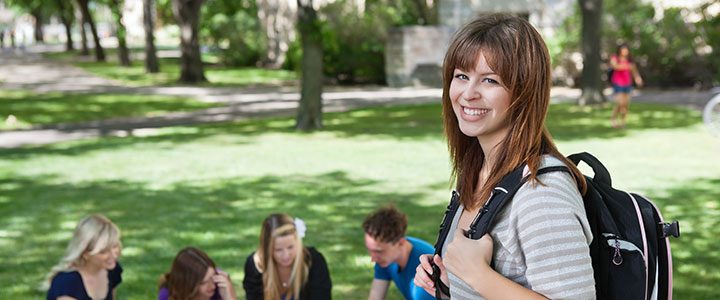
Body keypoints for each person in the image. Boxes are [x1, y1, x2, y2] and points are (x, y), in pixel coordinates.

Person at [413, 14, 596, 299]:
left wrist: (476, 274)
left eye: (490, 80)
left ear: (525, 91)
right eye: (461, 76)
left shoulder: (542, 194)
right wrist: (451, 282)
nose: (468, 93)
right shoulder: (480, 172)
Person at [243, 214, 332, 300]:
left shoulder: (313, 261)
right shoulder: (256, 266)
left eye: (290, 247)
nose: (286, 255)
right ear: (267, 250)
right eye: (278, 250)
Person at [363, 205, 435, 300]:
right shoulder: (385, 260)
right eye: (370, 250)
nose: (373, 259)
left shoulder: (425, 270)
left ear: (400, 242)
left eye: (378, 251)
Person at [44, 214, 123, 300]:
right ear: (85, 253)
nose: (113, 255)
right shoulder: (67, 283)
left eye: (115, 246)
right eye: (104, 251)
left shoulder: (111, 270)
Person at [158, 247, 237, 300]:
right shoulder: (168, 294)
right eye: (204, 282)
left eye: (213, 277)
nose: (212, 285)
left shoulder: (221, 285)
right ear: (189, 283)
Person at [610, 43, 644, 129]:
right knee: (620, 103)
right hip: (618, 83)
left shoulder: (629, 59)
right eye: (623, 49)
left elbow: (634, 70)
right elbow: (615, 66)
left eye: (626, 49)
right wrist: (627, 66)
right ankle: (613, 118)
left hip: (627, 83)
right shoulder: (615, 57)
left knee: (626, 104)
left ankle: (623, 122)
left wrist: (637, 78)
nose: (625, 51)